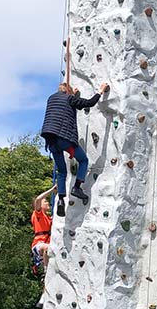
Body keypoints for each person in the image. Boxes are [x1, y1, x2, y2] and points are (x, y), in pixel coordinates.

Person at [40, 82, 109, 217]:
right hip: (64, 138)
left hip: (51, 140)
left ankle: (60, 200)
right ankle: (76, 188)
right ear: (68, 92)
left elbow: (64, 108)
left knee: (62, 172)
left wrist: (73, 94)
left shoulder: (51, 98)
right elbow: (89, 103)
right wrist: (100, 91)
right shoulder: (69, 98)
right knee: (83, 160)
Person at [31, 184, 56, 270]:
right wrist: (52, 190)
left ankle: (46, 270)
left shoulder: (49, 219)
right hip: (39, 244)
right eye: (45, 202)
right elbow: (38, 199)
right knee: (48, 248)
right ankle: (46, 270)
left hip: (46, 244)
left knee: (50, 248)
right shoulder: (38, 214)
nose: (47, 203)